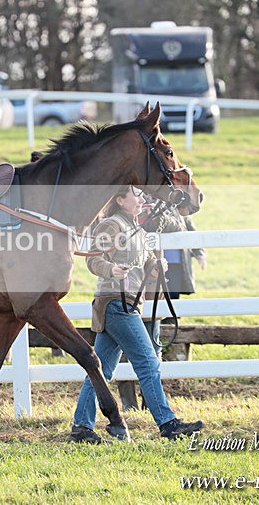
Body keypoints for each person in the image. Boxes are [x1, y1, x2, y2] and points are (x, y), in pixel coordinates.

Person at [69, 185, 203, 442]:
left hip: (127, 304)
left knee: (101, 371)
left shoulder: (138, 229)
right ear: (120, 199)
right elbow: (93, 260)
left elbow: (144, 263)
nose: (142, 198)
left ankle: (81, 427)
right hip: (116, 304)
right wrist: (111, 270)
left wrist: (156, 266)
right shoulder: (111, 226)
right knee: (148, 362)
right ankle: (167, 423)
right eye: (136, 194)